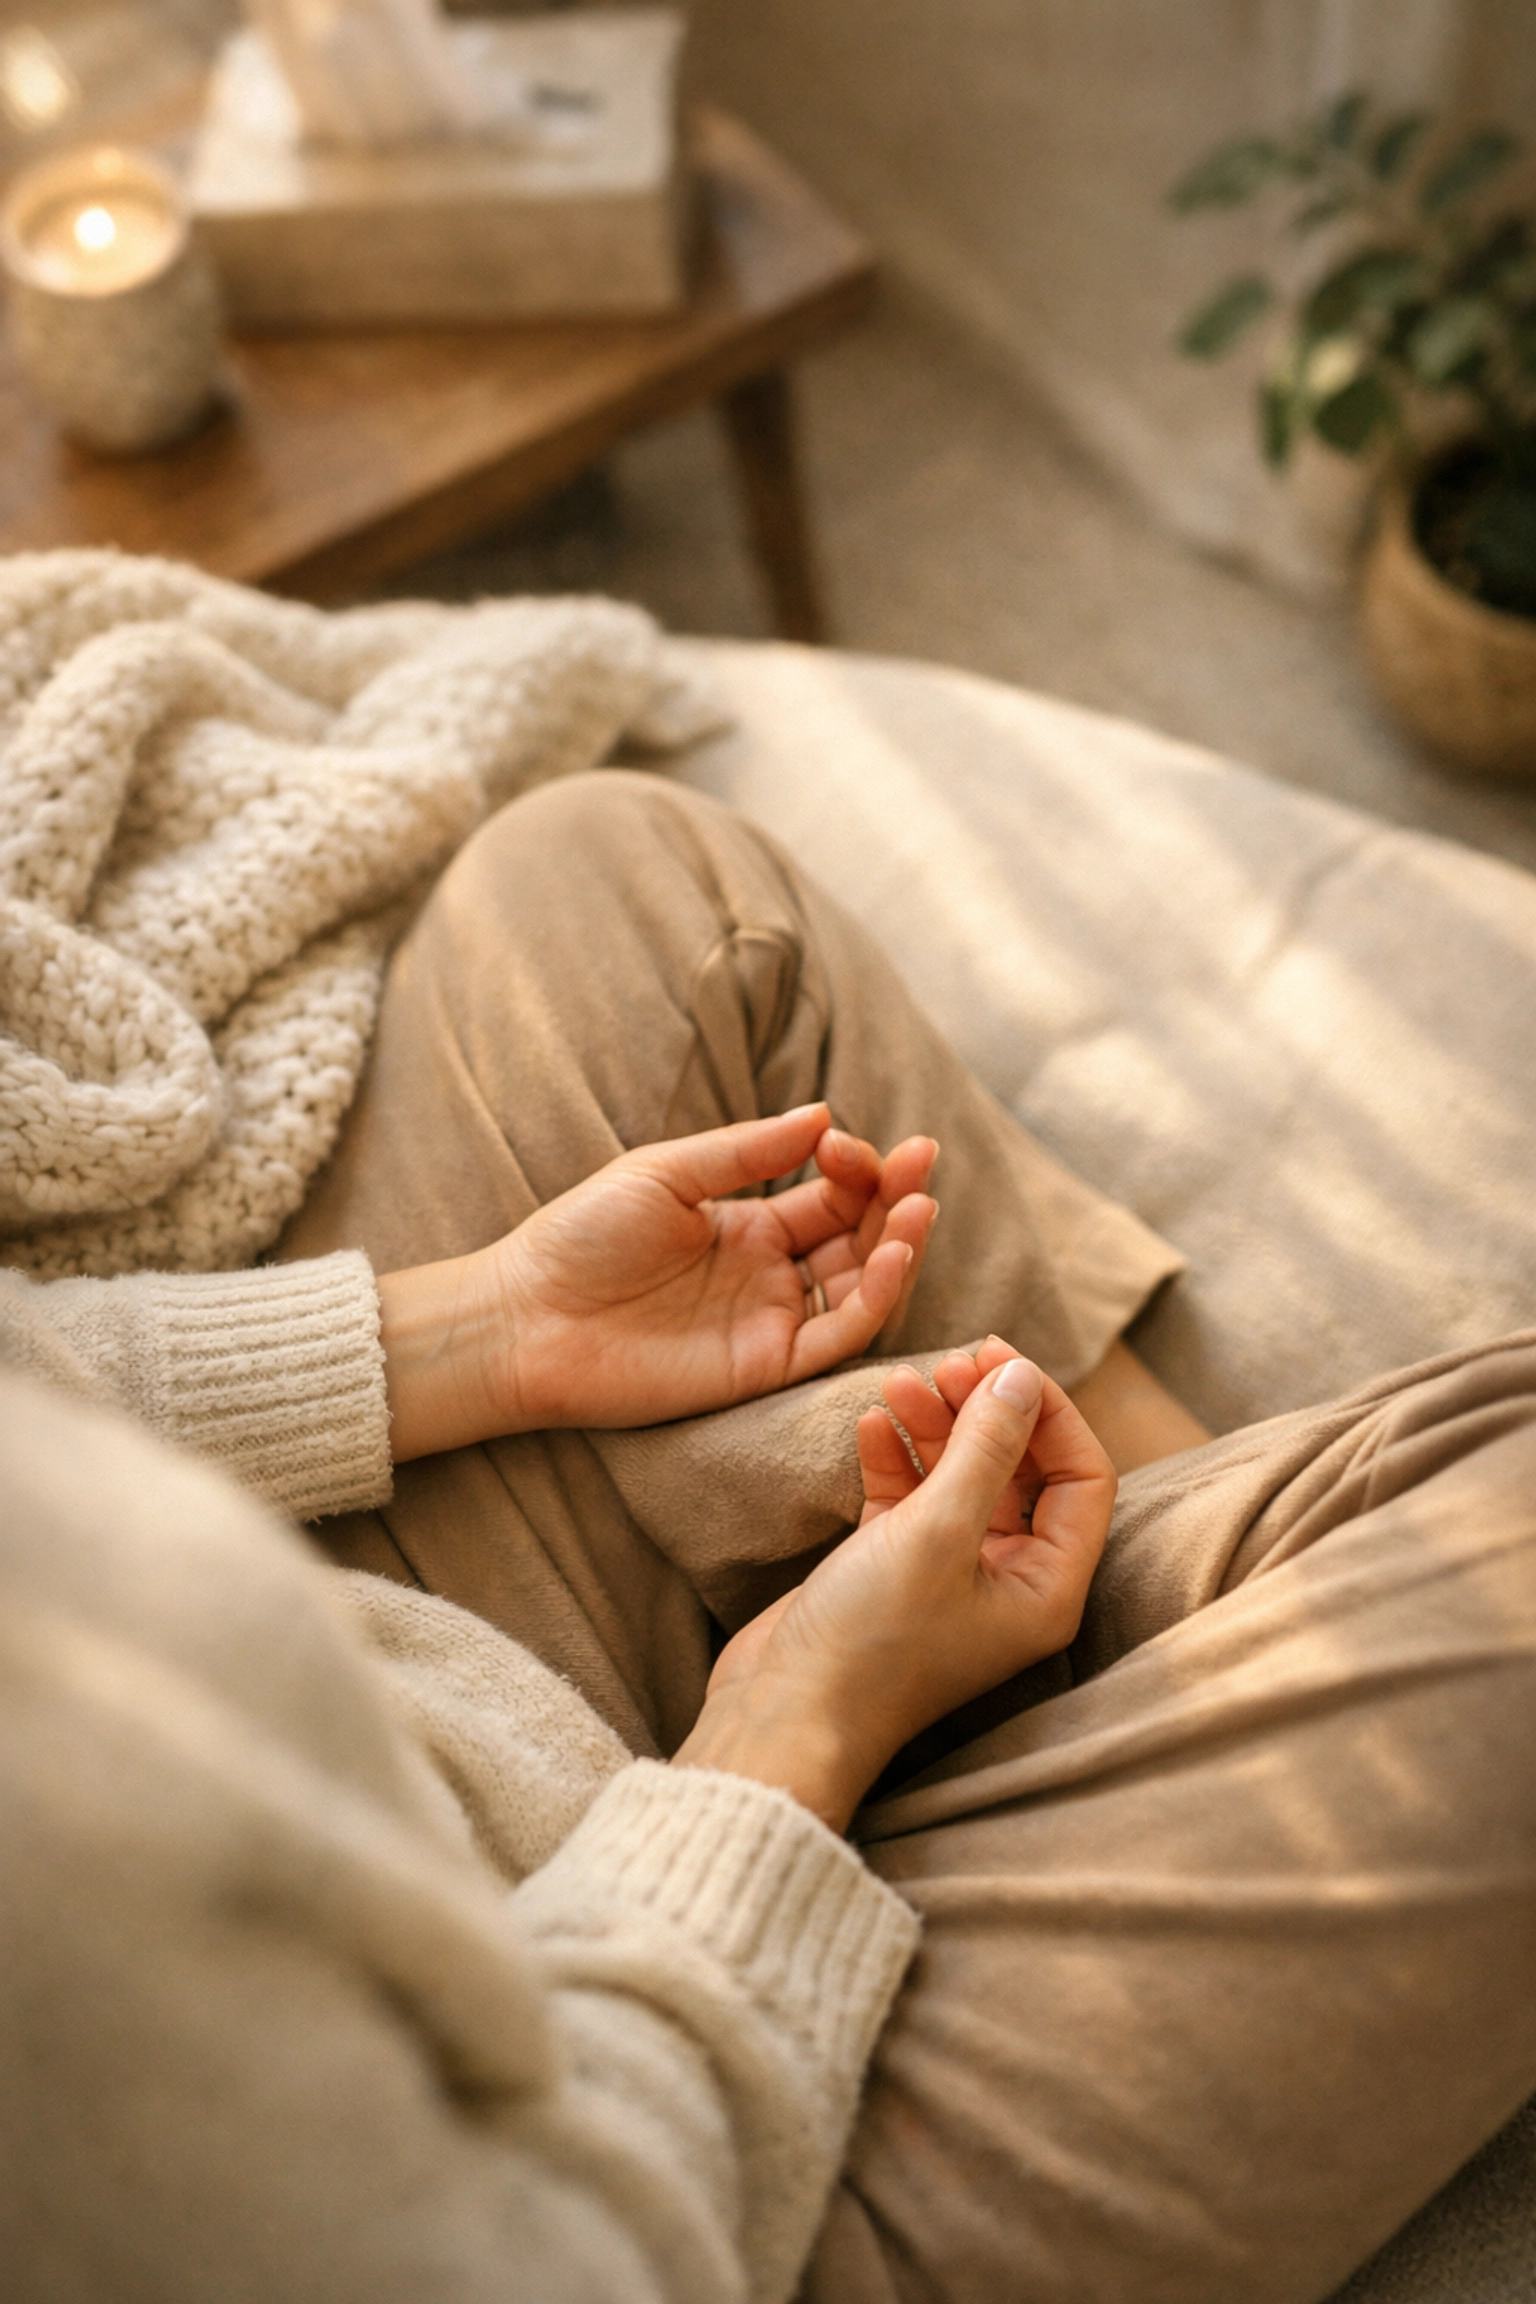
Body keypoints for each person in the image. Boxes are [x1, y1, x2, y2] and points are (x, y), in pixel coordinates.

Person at [4, 768, 1536, 2304]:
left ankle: (1104, 1612)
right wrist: (791, 1721)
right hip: (640, 2141)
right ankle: (1100, 1715)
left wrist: (487, 1327)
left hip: (392, 1666)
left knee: (625, 884)